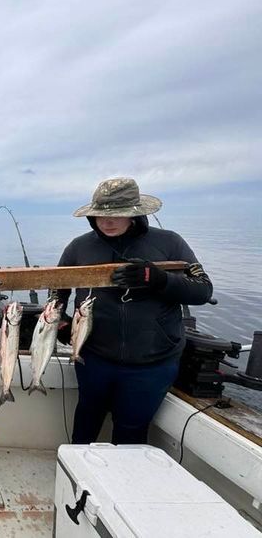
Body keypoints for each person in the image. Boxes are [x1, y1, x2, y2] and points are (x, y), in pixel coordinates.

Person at [54, 177, 213, 445]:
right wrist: (61, 322)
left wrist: (158, 279)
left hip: (152, 364)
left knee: (131, 434)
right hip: (94, 358)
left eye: (117, 214)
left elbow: (203, 290)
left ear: (135, 213)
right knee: (85, 424)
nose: (108, 222)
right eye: (101, 215)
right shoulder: (78, 248)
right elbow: (57, 289)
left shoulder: (169, 243)